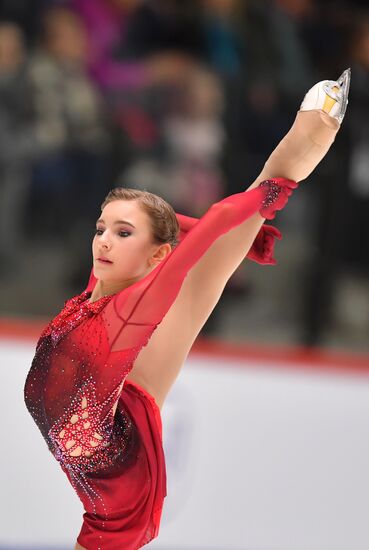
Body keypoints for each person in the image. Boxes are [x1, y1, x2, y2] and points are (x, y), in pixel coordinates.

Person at [23, 71, 350, 549]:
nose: (103, 242)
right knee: (220, 248)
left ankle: (320, 121)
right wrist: (220, 226)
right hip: (107, 418)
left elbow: (210, 225)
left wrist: (255, 207)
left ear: (155, 255)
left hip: (122, 475)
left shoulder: (130, 310)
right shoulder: (103, 286)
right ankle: (314, 129)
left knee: (213, 266)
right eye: (101, 229)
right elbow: (168, 223)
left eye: (121, 234)